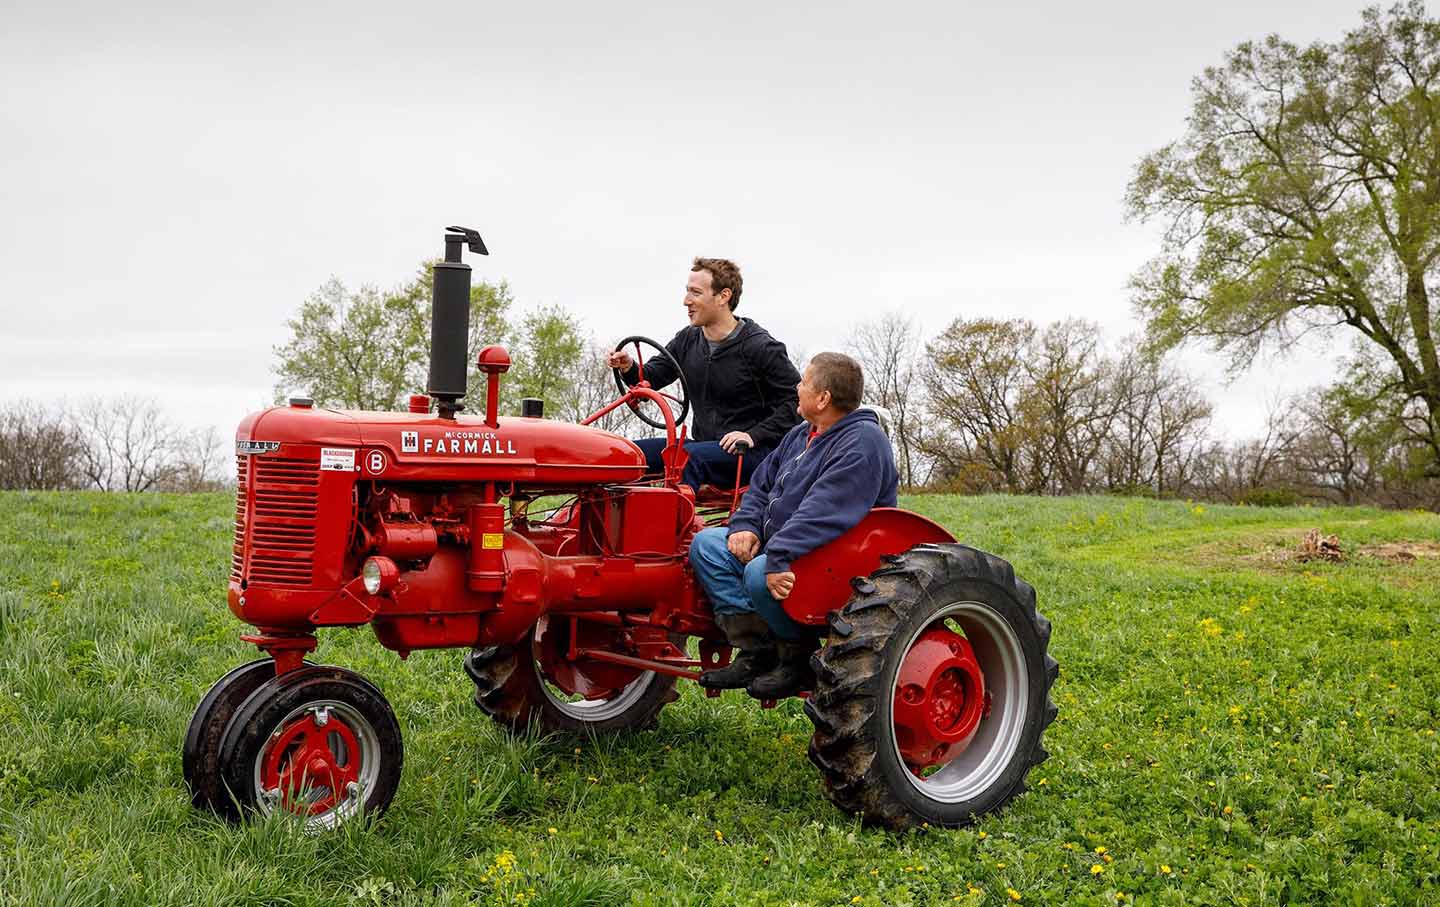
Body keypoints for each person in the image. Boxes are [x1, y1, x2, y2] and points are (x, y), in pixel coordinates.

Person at [688, 352, 900, 698]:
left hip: (832, 552)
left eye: (803, 382)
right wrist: (746, 526)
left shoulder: (862, 442)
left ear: (823, 398)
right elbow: (761, 484)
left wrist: (779, 555)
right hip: (785, 544)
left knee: (759, 574)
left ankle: (796, 655)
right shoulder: (802, 434)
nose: (796, 388)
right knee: (708, 546)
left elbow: (825, 511)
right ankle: (758, 651)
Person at [607, 258, 801, 492]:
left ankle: (665, 525)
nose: (686, 301)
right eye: (687, 291)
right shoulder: (688, 339)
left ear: (723, 296)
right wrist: (629, 367)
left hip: (754, 453)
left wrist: (753, 434)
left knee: (688, 458)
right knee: (628, 454)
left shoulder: (760, 347)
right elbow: (651, 377)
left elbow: (796, 403)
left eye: (696, 293)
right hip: (704, 446)